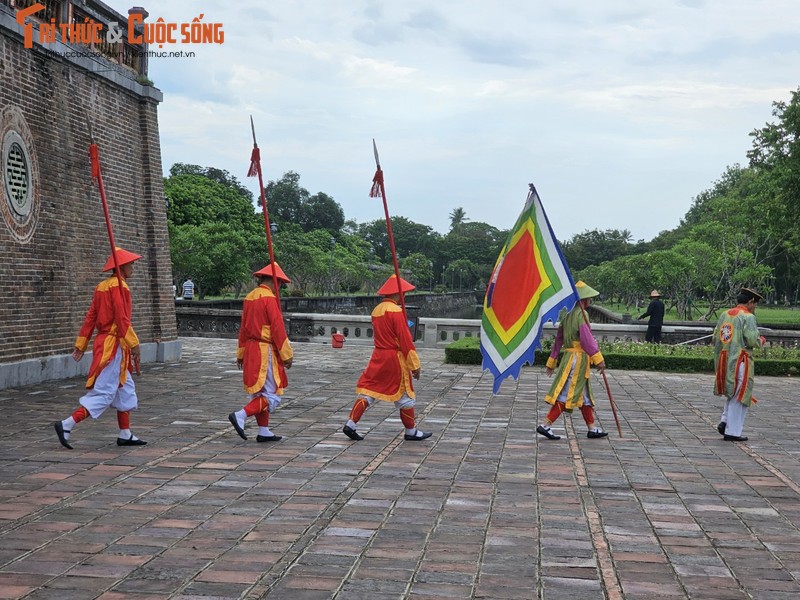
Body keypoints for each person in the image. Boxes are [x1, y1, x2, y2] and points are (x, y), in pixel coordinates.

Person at [53, 247, 147, 449]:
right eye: (131, 264)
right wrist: (134, 343)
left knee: (125, 389)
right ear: (121, 267)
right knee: (104, 392)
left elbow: (91, 317)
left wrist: (81, 343)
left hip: (107, 343)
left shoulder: (101, 287)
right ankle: (67, 424)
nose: (133, 267)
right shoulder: (119, 287)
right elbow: (122, 320)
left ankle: (125, 434)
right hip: (112, 346)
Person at [342, 274, 432, 442]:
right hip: (394, 358)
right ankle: (411, 431)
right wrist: (414, 365)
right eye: (403, 293)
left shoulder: (377, 310)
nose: (404, 296)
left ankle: (351, 423)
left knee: (369, 390)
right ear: (397, 293)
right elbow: (405, 341)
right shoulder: (396, 311)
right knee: (405, 395)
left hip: (378, 355)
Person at [228, 262, 293, 442]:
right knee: (272, 394)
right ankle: (240, 415)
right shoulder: (269, 298)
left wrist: (240, 353)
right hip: (265, 350)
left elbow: (243, 328)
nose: (280, 287)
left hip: (250, 348)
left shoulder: (250, 297)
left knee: (260, 392)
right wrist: (287, 355)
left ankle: (263, 430)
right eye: (279, 283)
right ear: (274, 281)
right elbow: (278, 329)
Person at [537, 281, 608, 440]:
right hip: (578, 359)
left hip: (569, 357)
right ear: (584, 299)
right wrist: (598, 358)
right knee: (567, 394)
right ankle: (546, 425)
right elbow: (586, 339)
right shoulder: (582, 314)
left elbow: (558, 340)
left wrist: (552, 361)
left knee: (584, 395)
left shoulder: (567, 314)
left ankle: (592, 428)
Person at [713, 287, 765, 442]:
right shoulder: (748, 317)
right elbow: (751, 340)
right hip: (741, 361)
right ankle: (733, 431)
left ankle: (725, 421)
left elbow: (716, 336)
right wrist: (761, 340)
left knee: (732, 391)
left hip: (725, 358)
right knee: (740, 394)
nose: (755, 307)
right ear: (750, 302)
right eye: (755, 304)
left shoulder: (725, 314)